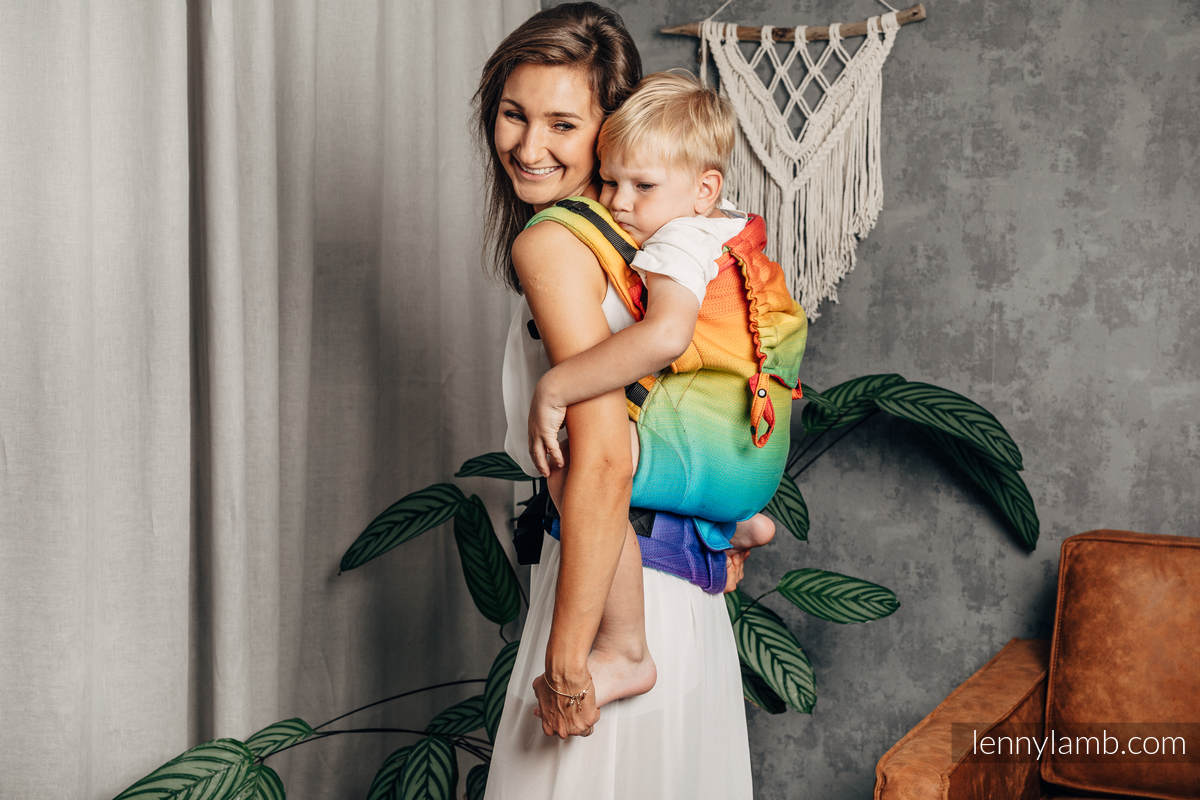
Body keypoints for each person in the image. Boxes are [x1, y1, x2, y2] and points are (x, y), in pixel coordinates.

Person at [477, 4, 755, 798]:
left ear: (611, 127)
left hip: (610, 597)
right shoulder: (654, 234)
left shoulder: (554, 242)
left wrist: (571, 659)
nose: (529, 147)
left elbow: (601, 455)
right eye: (513, 114)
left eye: (563, 124)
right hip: (681, 587)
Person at [522, 71, 804, 710]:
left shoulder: (677, 242)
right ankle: (738, 524)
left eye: (642, 186)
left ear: (705, 189)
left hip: (712, 460)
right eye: (611, 182)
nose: (620, 203)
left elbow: (666, 338)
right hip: (750, 463)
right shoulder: (730, 230)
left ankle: (626, 649)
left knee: (580, 468)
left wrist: (557, 386)